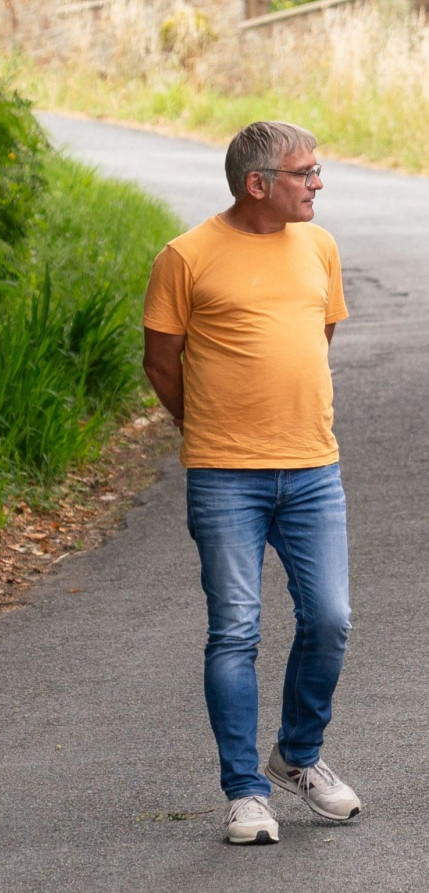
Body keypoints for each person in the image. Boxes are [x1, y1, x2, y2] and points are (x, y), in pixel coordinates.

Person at [141, 121, 361, 845]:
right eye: (305, 173)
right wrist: (203, 425)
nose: (318, 183)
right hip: (222, 474)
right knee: (233, 631)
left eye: (317, 170)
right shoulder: (185, 257)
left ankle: (296, 756)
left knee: (328, 619)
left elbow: (313, 338)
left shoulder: (320, 246)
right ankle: (244, 792)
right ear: (256, 184)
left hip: (311, 467)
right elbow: (161, 361)